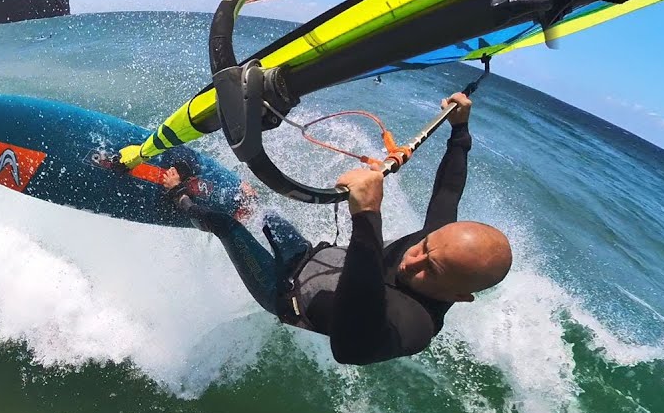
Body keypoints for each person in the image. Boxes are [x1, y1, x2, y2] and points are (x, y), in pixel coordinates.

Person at [164, 92, 512, 365]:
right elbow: (449, 191)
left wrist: (367, 215)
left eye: (430, 270)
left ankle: (178, 197)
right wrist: (459, 129)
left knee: (227, 227)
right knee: (265, 213)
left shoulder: (416, 326)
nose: (412, 261)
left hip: (282, 294)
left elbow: (349, 349)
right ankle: (233, 203)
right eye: (424, 248)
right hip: (306, 256)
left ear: (459, 297)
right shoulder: (440, 244)